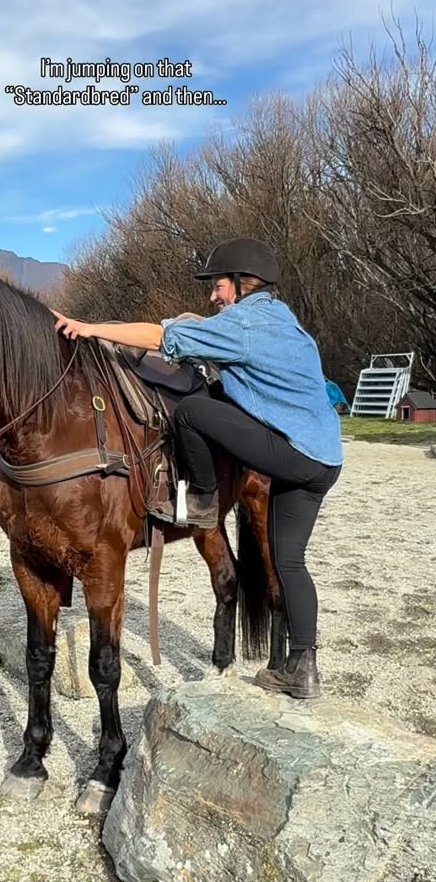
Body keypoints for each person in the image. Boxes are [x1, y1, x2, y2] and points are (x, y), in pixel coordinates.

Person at [52, 237, 343, 699]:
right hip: (325, 460)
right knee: (288, 561)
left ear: (243, 284)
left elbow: (158, 337)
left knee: (190, 412)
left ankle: (203, 499)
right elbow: (239, 341)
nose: (213, 295)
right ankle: (302, 668)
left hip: (292, 452)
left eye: (219, 286)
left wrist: (88, 328)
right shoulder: (283, 319)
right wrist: (204, 325)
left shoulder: (241, 325)